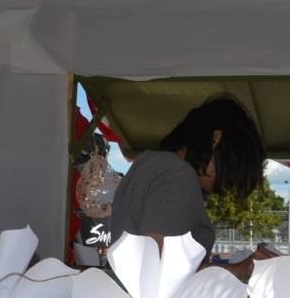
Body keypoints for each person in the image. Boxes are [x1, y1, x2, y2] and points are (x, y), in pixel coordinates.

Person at [109, 95, 275, 281]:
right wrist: (242, 269)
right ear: (215, 139)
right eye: (234, 166)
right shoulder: (177, 174)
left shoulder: (150, 164)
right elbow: (161, 272)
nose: (230, 183)